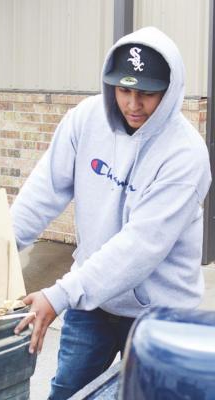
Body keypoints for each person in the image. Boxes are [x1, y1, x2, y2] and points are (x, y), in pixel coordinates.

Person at [11, 26, 212, 400]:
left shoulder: (185, 155)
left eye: (147, 94)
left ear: (169, 92)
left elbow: (140, 247)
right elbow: (42, 193)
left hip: (159, 316)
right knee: (67, 392)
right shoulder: (85, 120)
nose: (134, 104)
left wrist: (60, 294)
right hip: (94, 307)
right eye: (124, 90)